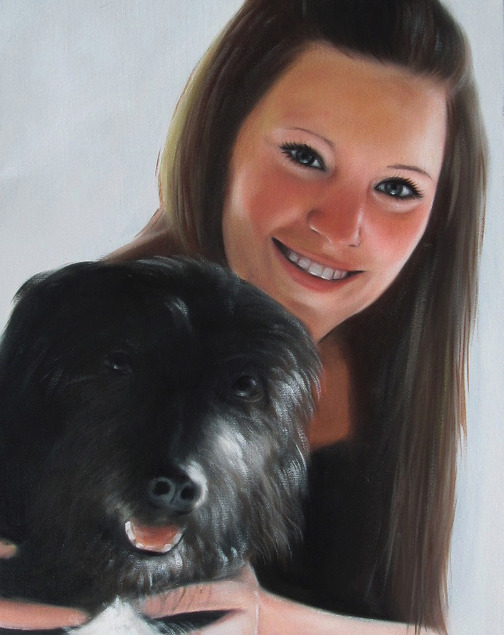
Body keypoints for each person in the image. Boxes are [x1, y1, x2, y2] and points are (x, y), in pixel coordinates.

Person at [0, 0, 486, 633]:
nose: (341, 228)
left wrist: (269, 618)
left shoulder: (398, 370)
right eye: (305, 156)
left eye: (397, 188)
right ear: (222, 139)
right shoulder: (75, 330)